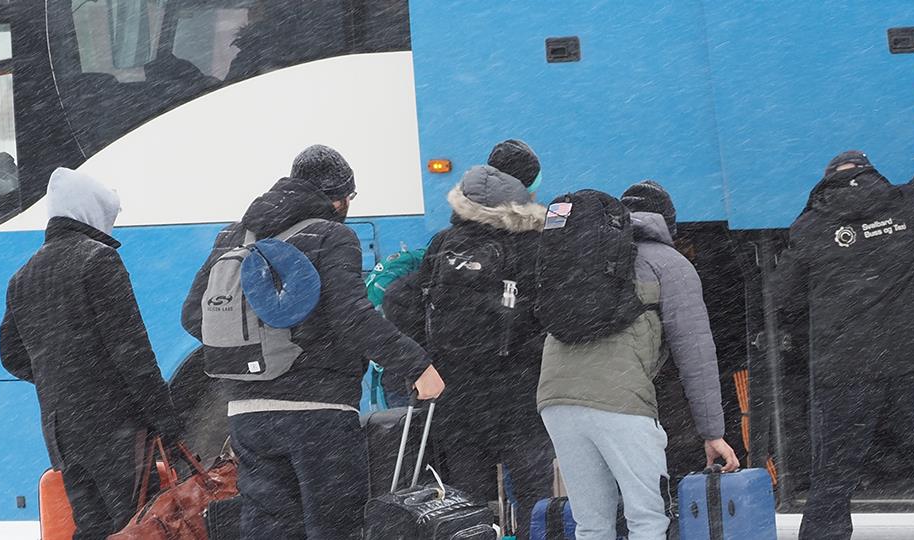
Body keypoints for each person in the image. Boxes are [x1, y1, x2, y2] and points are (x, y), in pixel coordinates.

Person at [183, 145, 445, 540]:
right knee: (335, 528)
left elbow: (193, 316)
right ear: (338, 198)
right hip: (317, 414)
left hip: (247, 414)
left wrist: (255, 352)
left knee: (268, 529)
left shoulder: (233, 237)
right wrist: (417, 365)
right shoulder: (331, 235)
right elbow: (352, 315)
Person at [778, 75, 914, 540]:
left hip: (845, 369)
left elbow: (781, 291)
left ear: (826, 183)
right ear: (870, 172)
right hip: (911, 362)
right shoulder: (907, 207)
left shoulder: (810, 228)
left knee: (833, 474)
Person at [537, 180, 740, 540]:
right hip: (619, 400)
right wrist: (713, 433)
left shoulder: (583, 254)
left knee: (591, 524)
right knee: (647, 519)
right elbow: (696, 353)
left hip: (555, 398)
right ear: (668, 222)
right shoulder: (669, 263)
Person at [0, 168, 187, 540]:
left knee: (91, 526)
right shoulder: (98, 261)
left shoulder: (22, 277)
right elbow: (132, 352)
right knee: (137, 524)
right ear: (90, 214)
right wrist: (168, 421)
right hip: (114, 428)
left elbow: (11, 355)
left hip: (62, 432)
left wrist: (60, 375)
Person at [393, 139, 554, 536]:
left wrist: (425, 361)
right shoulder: (530, 244)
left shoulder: (442, 244)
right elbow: (544, 315)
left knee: (466, 502)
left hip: (456, 395)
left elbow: (401, 300)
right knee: (535, 498)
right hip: (517, 393)